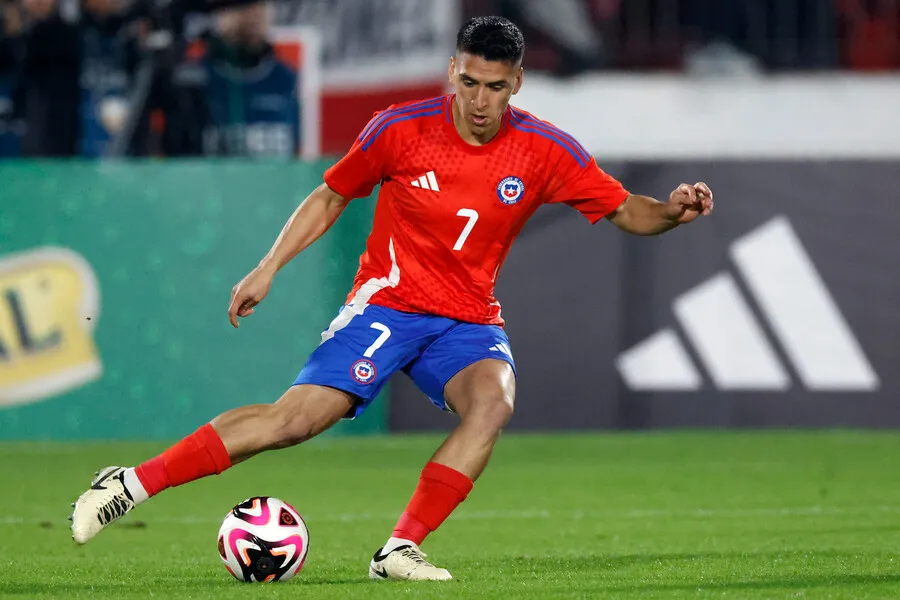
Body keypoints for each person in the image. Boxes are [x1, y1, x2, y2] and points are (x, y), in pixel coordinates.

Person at [70, 15, 714, 581]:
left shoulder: (546, 150)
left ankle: (400, 549)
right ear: (451, 73)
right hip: (388, 307)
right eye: (468, 82)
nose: (479, 101)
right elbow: (330, 194)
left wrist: (673, 212)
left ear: (516, 83)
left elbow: (630, 211)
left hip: (467, 319)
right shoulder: (401, 130)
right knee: (293, 422)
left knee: (493, 403)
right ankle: (129, 484)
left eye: (495, 86)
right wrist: (267, 268)